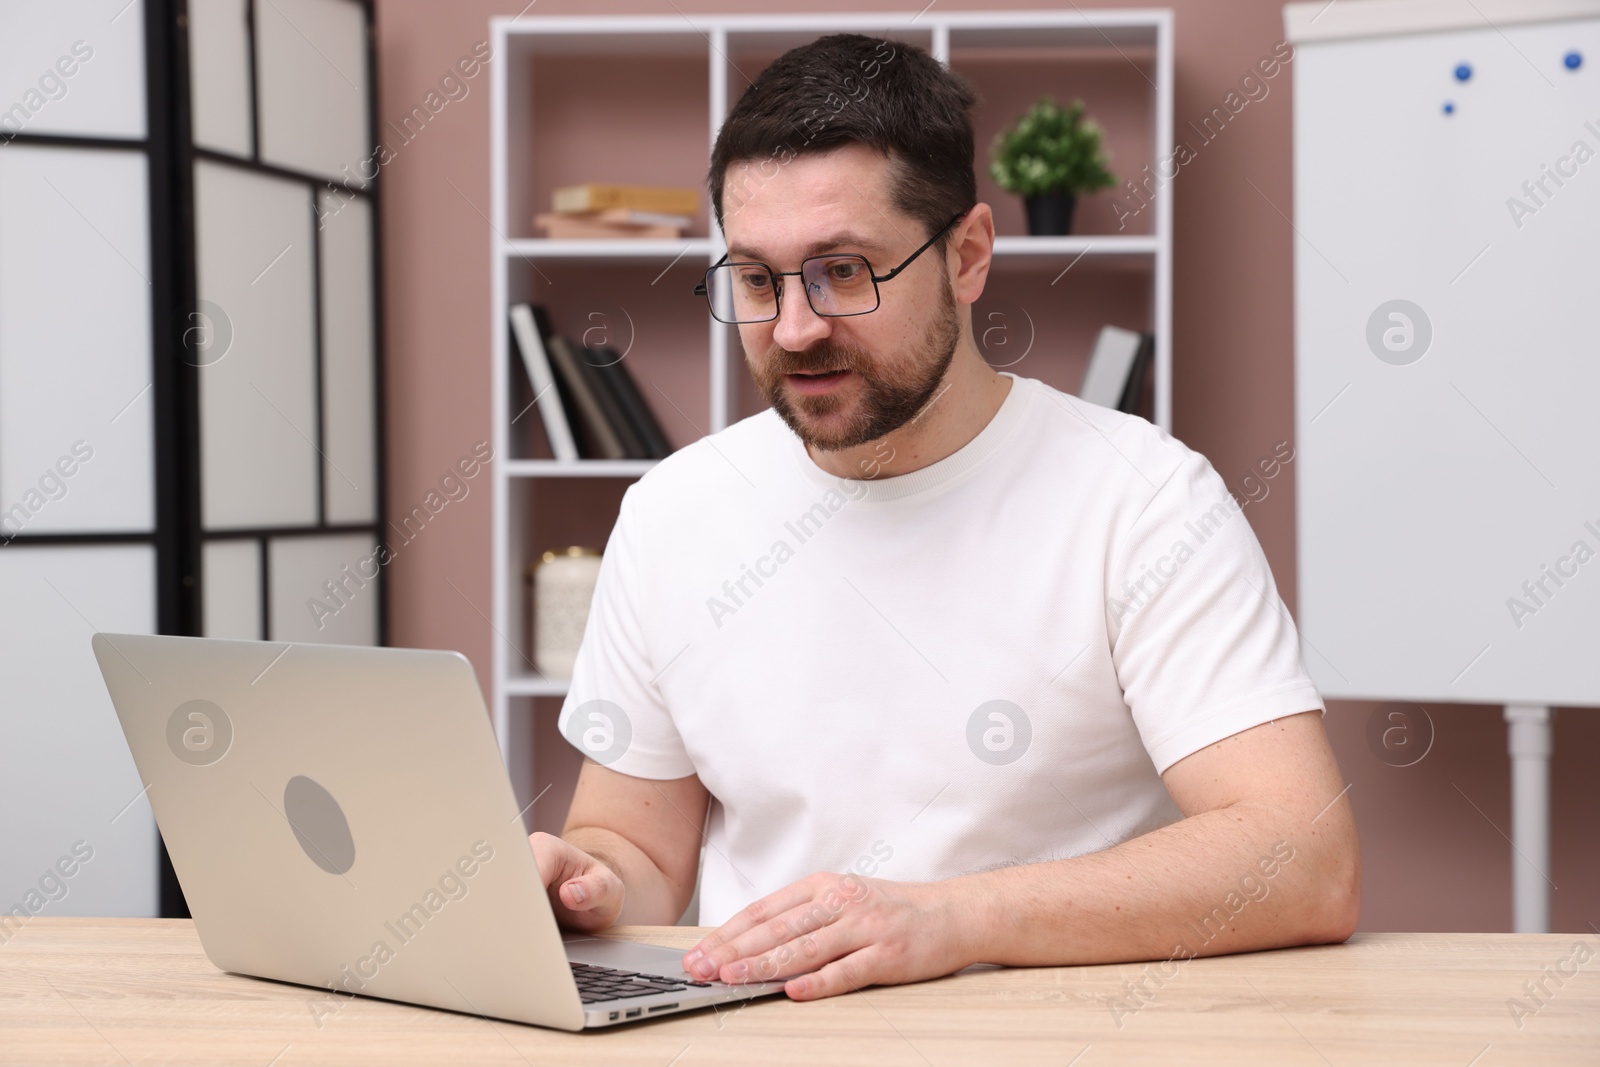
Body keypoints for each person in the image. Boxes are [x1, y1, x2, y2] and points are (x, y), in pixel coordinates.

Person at [529, 32, 1358, 1003]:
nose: (794, 328)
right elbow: (633, 840)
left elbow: (1301, 855)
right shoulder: (672, 510)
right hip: (758, 1027)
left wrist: (954, 917)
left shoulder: (1140, 497)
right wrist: (587, 881)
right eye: (756, 279)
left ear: (966, 256)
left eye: (843, 270)